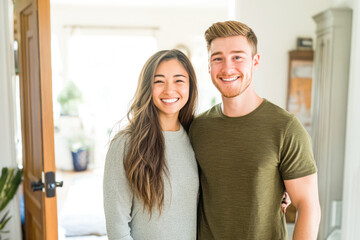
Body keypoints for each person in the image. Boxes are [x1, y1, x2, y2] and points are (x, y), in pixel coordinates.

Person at [189, 21, 321, 240]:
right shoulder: (197, 128)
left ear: (255, 61)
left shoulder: (285, 128)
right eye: (218, 58)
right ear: (209, 66)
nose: (227, 68)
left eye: (238, 57)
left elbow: (308, 206)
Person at [103, 49, 199, 240]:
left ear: (190, 87)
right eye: (159, 81)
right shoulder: (125, 143)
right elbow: (117, 227)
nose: (169, 90)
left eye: (179, 80)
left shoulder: (196, 137)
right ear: (147, 87)